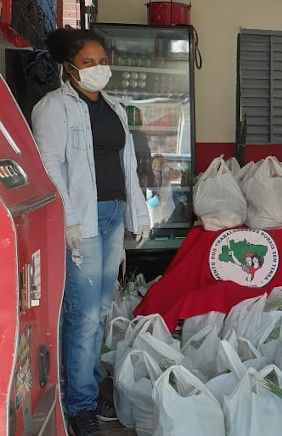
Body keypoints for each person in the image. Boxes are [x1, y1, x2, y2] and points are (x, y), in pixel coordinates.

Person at [31, 28, 150, 436]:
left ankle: (88, 383)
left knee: (100, 310)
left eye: (102, 61)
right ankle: (79, 403)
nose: (100, 69)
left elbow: (128, 166)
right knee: (82, 316)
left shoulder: (114, 108)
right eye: (89, 63)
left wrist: (138, 217)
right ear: (68, 68)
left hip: (113, 215)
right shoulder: (53, 108)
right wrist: (67, 222)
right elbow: (50, 168)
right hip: (81, 220)